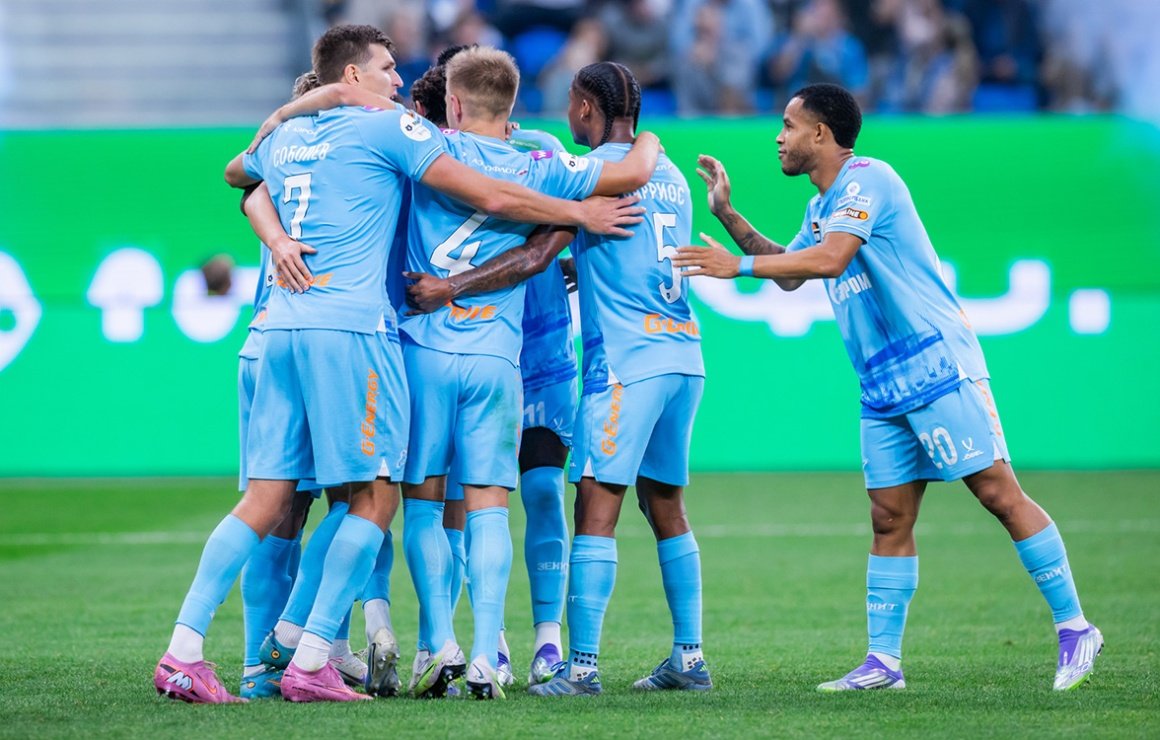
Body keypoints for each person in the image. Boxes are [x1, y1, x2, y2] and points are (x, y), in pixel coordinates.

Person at [152, 23, 643, 705]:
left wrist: (290, 135)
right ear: (354, 76)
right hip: (357, 331)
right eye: (386, 68)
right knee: (379, 496)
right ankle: (314, 652)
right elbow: (494, 195)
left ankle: (186, 650)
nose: (398, 79)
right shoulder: (394, 131)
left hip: (278, 328)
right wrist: (580, 210)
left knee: (269, 500)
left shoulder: (288, 136)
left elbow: (240, 175)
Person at [672, 82, 1102, 692]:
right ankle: (884, 663)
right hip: (881, 384)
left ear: (820, 133)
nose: (779, 138)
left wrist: (735, 267)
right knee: (888, 517)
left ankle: (1075, 627)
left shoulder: (868, 180)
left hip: (936, 365)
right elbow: (793, 272)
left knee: (997, 493)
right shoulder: (820, 206)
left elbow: (829, 261)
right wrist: (727, 215)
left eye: (789, 126)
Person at [408, 61, 712, 698]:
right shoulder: (670, 173)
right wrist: (584, 268)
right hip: (684, 354)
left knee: (594, 506)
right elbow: (630, 250)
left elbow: (535, 253)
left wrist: (454, 286)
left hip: (625, 362)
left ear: (584, 108)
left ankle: (582, 668)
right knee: (666, 505)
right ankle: (688, 655)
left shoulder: (588, 173)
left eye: (572, 102)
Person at [412, 44, 579, 690]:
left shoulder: (423, 151)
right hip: (496, 359)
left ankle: (445, 644)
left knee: (429, 506)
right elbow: (627, 172)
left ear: (452, 102)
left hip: (441, 353)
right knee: (485, 507)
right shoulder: (542, 163)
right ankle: (490, 650)